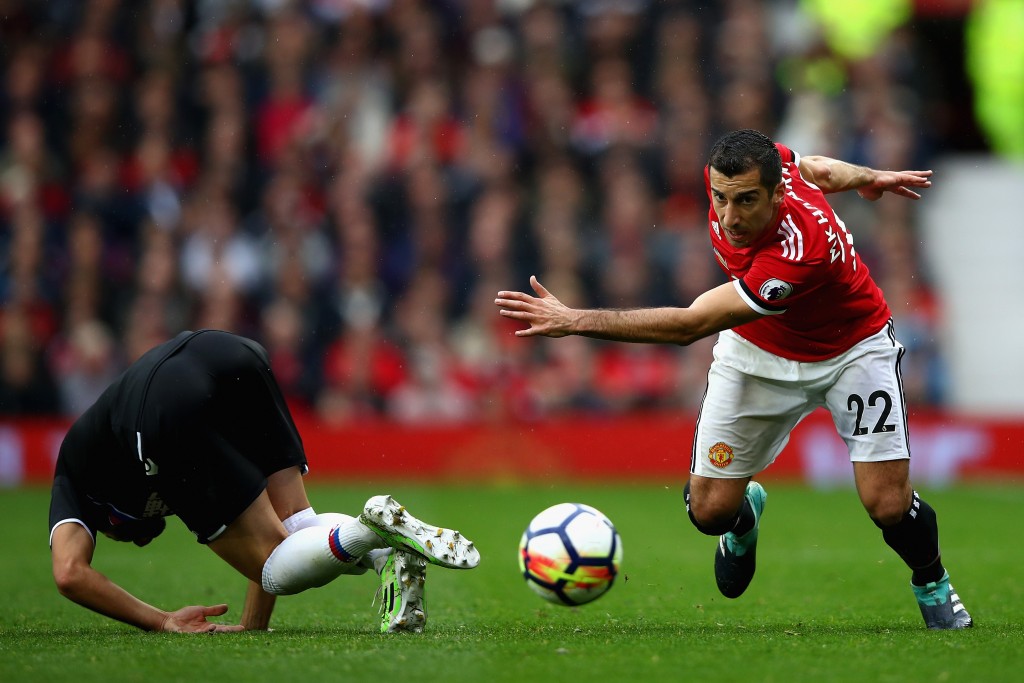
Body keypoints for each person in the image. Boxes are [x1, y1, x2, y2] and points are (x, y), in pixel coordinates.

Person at [495, 129, 971, 630]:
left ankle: (932, 582)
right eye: (720, 198)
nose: (729, 216)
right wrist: (869, 177)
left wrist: (576, 320)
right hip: (758, 348)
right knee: (708, 512)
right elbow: (818, 170)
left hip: (853, 349)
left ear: (775, 195)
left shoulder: (799, 250)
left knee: (888, 504)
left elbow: (690, 326)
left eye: (745, 202)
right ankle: (742, 516)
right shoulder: (766, 166)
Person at [49, 329, 480, 634]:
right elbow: (279, 523)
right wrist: (254, 626)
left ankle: (367, 528)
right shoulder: (118, 454)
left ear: (108, 519)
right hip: (227, 350)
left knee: (275, 567)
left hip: (161, 407)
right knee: (296, 520)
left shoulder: (75, 475)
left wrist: (163, 620)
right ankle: (389, 549)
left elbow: (69, 573)